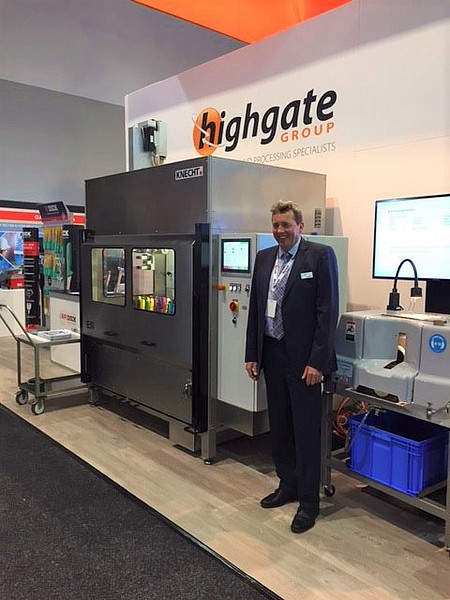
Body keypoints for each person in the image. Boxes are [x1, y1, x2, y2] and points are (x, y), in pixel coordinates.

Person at [245, 200, 339, 533]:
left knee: (306, 430)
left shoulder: (320, 256)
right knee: (281, 426)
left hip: (304, 362)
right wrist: (252, 353)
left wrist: (317, 361)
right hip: (272, 353)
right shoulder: (264, 258)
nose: (280, 231)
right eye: (275, 225)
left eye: (286, 225)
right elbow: (256, 308)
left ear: (300, 226)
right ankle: (288, 484)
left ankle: (309, 503)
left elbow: (327, 313)